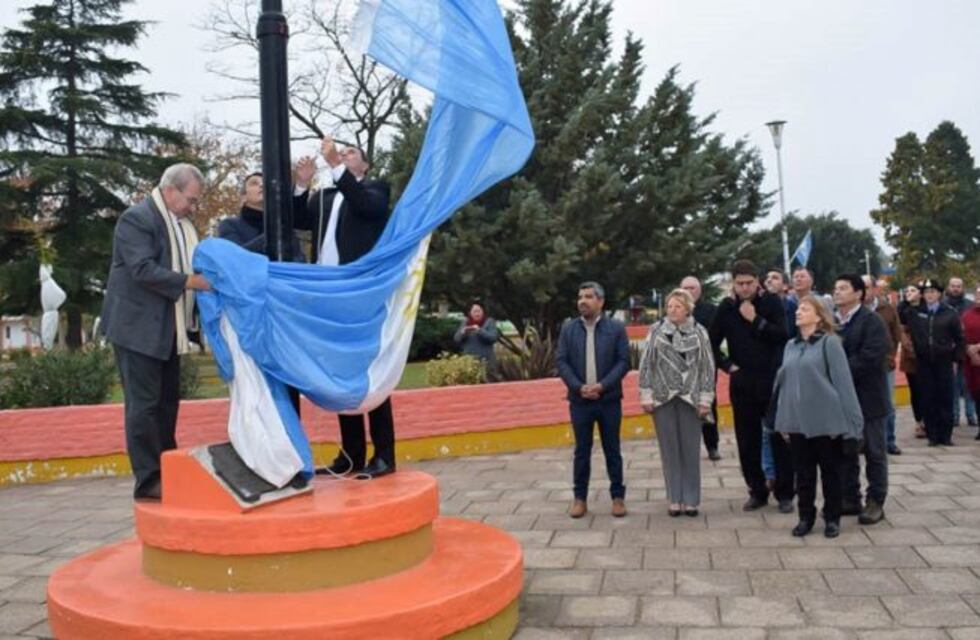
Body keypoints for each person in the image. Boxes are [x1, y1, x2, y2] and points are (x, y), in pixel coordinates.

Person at [101, 164, 212, 500]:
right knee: (144, 407)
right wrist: (192, 283)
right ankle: (148, 481)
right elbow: (142, 269)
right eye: (190, 199)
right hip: (137, 330)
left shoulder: (181, 224)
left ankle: (169, 471)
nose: (193, 207)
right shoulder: (137, 219)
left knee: (166, 405)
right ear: (171, 190)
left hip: (168, 330)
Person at [295, 136, 395, 479]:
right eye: (342, 152)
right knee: (342, 373)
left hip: (359, 291)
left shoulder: (375, 188)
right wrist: (302, 185)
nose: (344, 154)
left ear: (364, 166)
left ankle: (384, 454)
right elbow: (297, 219)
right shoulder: (324, 197)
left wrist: (337, 165)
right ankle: (351, 454)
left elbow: (370, 208)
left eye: (351, 153)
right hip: (328, 292)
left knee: (370, 370)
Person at [772, 296, 863, 538]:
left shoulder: (829, 343)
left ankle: (832, 517)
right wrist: (782, 419)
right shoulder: (790, 345)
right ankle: (805, 517)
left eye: (805, 308)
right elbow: (784, 385)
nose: (798, 312)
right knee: (803, 474)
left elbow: (844, 385)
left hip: (827, 421)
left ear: (819, 315)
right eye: (798, 308)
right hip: (797, 422)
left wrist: (852, 424)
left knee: (830, 472)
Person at [709, 259, 794, 513]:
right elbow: (710, 343)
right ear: (733, 283)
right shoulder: (726, 307)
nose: (744, 288)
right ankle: (756, 490)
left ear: (757, 281)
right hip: (742, 380)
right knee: (747, 441)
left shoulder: (771, 302)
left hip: (771, 379)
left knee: (779, 437)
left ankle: (785, 492)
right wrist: (727, 365)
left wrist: (756, 320)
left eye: (749, 283)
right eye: (739, 284)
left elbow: (783, 335)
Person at [555, 282, 630, 519]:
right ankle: (580, 499)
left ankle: (618, 497)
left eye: (588, 297)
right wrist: (579, 387)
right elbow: (561, 361)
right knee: (581, 451)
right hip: (580, 401)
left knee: (612, 450)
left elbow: (623, 361)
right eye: (580, 297)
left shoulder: (616, 328)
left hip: (608, 400)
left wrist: (602, 385)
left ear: (601, 301)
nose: (582, 301)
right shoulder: (569, 329)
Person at [638, 289, 715, 517]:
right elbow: (646, 365)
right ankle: (674, 498)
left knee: (690, 450)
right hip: (663, 398)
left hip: (691, 398)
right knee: (669, 450)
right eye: (669, 306)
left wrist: (705, 400)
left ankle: (691, 499)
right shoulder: (656, 331)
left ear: (688, 309)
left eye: (677, 306)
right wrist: (646, 395)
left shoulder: (700, 332)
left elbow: (707, 367)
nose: (672, 310)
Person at [833, 274, 890, 525]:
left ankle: (876, 500)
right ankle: (850, 498)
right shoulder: (834, 323)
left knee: (874, 451)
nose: (837, 293)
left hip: (869, 398)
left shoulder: (871, 321)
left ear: (858, 293)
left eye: (843, 288)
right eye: (835, 288)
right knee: (846, 450)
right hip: (842, 400)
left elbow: (871, 356)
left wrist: (837, 371)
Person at [902, 279, 965, 447]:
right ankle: (932, 434)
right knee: (927, 398)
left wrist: (957, 359)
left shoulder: (949, 313)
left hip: (944, 360)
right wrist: (909, 298)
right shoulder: (915, 312)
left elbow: (959, 338)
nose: (930, 295)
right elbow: (901, 314)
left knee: (945, 397)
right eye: (927, 292)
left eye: (933, 292)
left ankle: (945, 435)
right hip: (923, 361)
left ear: (939, 294)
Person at [215, 162, 315, 260]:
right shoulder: (230, 225)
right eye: (254, 183)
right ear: (243, 197)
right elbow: (234, 257)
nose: (262, 185)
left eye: (265, 183)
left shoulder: (285, 227)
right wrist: (273, 234)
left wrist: (302, 183)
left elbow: (299, 261)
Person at [679, 276, 721, 461]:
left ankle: (712, 446)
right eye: (685, 288)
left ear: (700, 290)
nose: (689, 291)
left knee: (708, 405)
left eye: (693, 288)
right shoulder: (675, 311)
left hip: (706, 365)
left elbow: (717, 339)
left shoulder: (711, 311)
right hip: (681, 367)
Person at [864, 275, 903, 455]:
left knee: (888, 403)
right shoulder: (856, 311)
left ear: (874, 289)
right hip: (863, 366)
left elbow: (896, 335)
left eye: (867, 287)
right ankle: (865, 441)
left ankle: (889, 440)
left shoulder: (887, 309)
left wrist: (890, 356)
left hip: (884, 364)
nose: (864, 291)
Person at [945, 277, 978, 427]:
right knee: (952, 387)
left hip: (968, 353)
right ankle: (955, 416)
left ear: (963, 288)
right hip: (949, 352)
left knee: (969, 386)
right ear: (948, 287)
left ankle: (971, 415)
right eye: (953, 286)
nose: (956, 288)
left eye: (959, 286)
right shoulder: (943, 305)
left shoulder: (970, 305)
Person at [898, 283, 927, 439]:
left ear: (920, 294)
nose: (909, 293)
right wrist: (909, 347)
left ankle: (929, 419)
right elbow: (900, 332)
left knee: (927, 388)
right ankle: (919, 421)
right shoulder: (902, 310)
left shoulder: (926, 309)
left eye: (913, 290)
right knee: (915, 390)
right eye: (907, 290)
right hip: (910, 355)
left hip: (927, 354)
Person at [961, 284, 980, 440]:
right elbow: (961, 335)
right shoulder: (967, 315)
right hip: (971, 361)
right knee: (976, 393)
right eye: (977, 294)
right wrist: (969, 349)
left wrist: (978, 347)